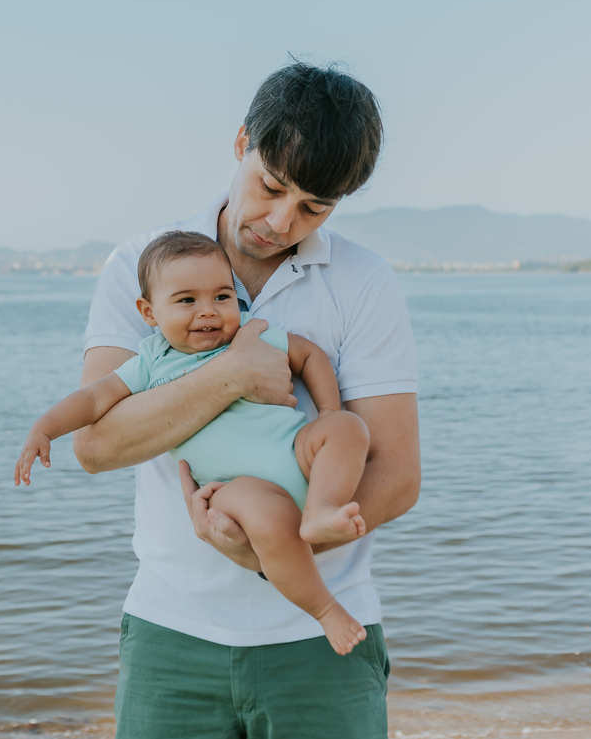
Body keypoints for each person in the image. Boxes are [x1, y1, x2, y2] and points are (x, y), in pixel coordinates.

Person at [74, 62, 420, 739]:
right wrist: (230, 375)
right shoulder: (141, 266)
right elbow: (96, 443)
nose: (280, 220)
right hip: (171, 633)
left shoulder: (364, 282)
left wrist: (270, 549)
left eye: (313, 207)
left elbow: (399, 475)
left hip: (325, 635)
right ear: (241, 143)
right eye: (271, 186)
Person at [16, 230, 373, 654]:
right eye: (187, 301)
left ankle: (320, 509)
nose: (208, 312)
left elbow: (310, 354)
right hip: (237, 487)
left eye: (222, 297)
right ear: (149, 312)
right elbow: (94, 399)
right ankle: (327, 610)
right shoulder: (151, 361)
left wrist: (329, 412)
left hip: (298, 450)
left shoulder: (251, 339)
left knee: (350, 429)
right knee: (271, 521)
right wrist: (45, 427)